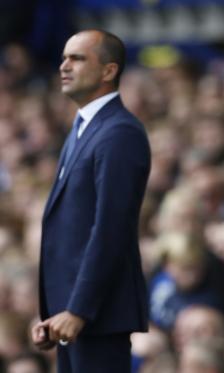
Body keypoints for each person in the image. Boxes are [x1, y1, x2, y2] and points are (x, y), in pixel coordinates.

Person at [31, 29, 151, 373]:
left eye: (77, 58)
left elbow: (111, 228)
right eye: (64, 57)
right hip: (74, 317)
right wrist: (58, 312)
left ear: (108, 71)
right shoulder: (84, 127)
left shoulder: (120, 133)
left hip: (97, 315)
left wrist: (79, 309)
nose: (63, 66)